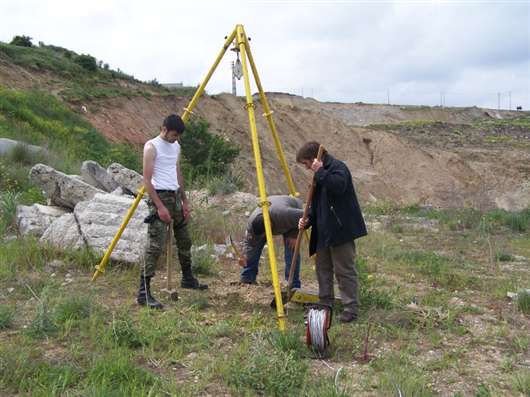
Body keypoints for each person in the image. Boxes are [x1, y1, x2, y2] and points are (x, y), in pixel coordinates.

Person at [138, 114, 207, 309]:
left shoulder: (176, 146)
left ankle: (187, 278)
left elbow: (177, 172)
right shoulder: (151, 147)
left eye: (178, 136)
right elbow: (147, 181)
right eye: (174, 135)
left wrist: (184, 200)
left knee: (185, 240)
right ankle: (144, 292)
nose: (176, 139)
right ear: (164, 129)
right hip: (159, 197)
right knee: (155, 246)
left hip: (176, 197)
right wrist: (159, 207)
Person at [297, 142, 367, 323]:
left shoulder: (337, 168)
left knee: (344, 270)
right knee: (323, 269)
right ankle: (325, 303)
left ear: (314, 159)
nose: (306, 167)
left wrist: (320, 171)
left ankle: (350, 309)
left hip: (340, 230)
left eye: (306, 163)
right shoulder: (319, 174)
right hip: (323, 232)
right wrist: (307, 220)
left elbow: (338, 186)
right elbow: (318, 205)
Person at [239, 195, 304, 288]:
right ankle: (247, 277)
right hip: (275, 211)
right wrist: (245, 256)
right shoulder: (252, 225)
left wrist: (295, 234)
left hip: (291, 213)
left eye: (265, 234)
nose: (264, 237)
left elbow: (306, 215)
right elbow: (249, 244)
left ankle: (293, 285)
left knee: (292, 248)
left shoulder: (283, 214)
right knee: (254, 246)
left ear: (269, 224)